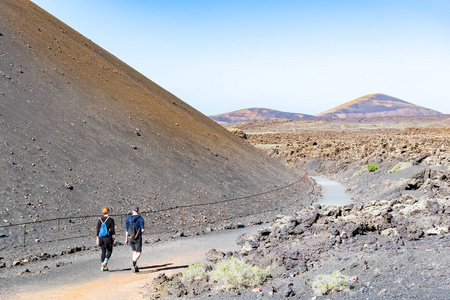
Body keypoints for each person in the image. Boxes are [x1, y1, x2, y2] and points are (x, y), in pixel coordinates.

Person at [125, 205, 145, 272]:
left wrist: (126, 239)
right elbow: (142, 230)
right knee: (138, 252)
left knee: (134, 251)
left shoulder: (128, 218)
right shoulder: (140, 219)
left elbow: (127, 230)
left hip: (130, 237)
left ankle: (134, 266)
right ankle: (134, 261)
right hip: (138, 237)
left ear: (132, 210)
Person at [96, 207, 116, 271]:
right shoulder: (111, 220)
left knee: (103, 252)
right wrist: (114, 237)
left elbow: (97, 230)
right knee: (109, 251)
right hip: (108, 238)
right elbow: (112, 230)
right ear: (108, 212)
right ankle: (105, 261)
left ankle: (103, 266)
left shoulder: (99, 220)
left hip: (101, 238)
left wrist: (97, 238)